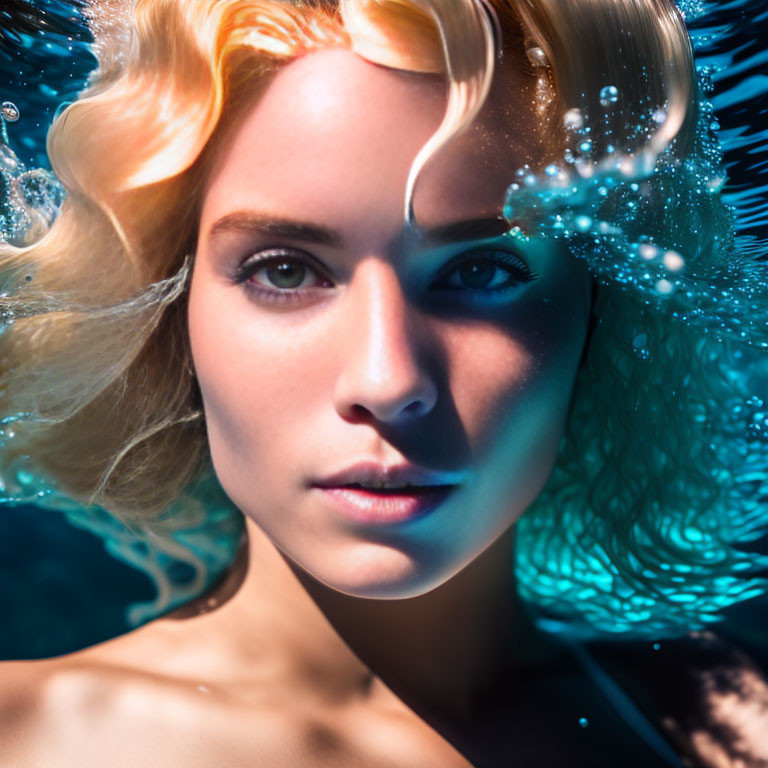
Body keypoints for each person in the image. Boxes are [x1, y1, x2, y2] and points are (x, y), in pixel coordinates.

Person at [0, 0, 767, 765]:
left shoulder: (731, 726)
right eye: (286, 271)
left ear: (604, 313)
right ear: (170, 314)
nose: (387, 378)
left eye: (480, 272)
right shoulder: (22, 735)